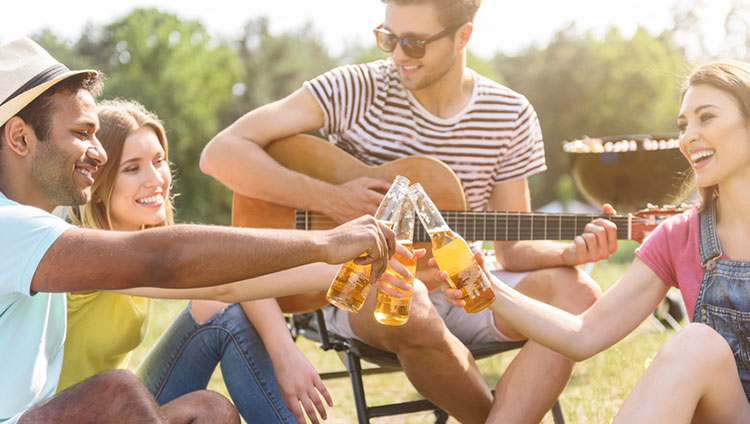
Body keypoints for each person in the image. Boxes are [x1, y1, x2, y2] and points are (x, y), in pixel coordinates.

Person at [200, 1, 614, 422]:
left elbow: (511, 251)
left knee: (579, 293)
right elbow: (220, 154)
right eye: (388, 37)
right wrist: (326, 197)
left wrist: (567, 254)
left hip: (462, 286)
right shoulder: (356, 88)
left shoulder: (509, 115)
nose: (397, 55)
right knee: (406, 294)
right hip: (361, 290)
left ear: (462, 37)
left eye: (414, 43)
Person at [0, 37, 410, 424]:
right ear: (19, 137)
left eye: (158, 161)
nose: (99, 153)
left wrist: (358, 260)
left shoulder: (41, 223)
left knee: (209, 409)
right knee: (116, 391)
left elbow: (223, 284)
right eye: (80, 133)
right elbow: (169, 260)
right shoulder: (13, 229)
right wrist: (326, 242)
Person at [438, 60, 750, 423]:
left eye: (706, 117)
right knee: (698, 343)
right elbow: (583, 335)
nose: (687, 137)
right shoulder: (680, 236)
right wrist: (487, 287)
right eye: (683, 125)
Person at [55, 99, 342, 424]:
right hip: (63, 416)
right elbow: (225, 283)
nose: (155, 180)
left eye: (159, 160)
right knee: (211, 408)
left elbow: (232, 275)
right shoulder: (88, 251)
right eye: (132, 168)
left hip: (117, 406)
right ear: (99, 182)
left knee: (219, 319)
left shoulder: (140, 244)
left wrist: (355, 263)